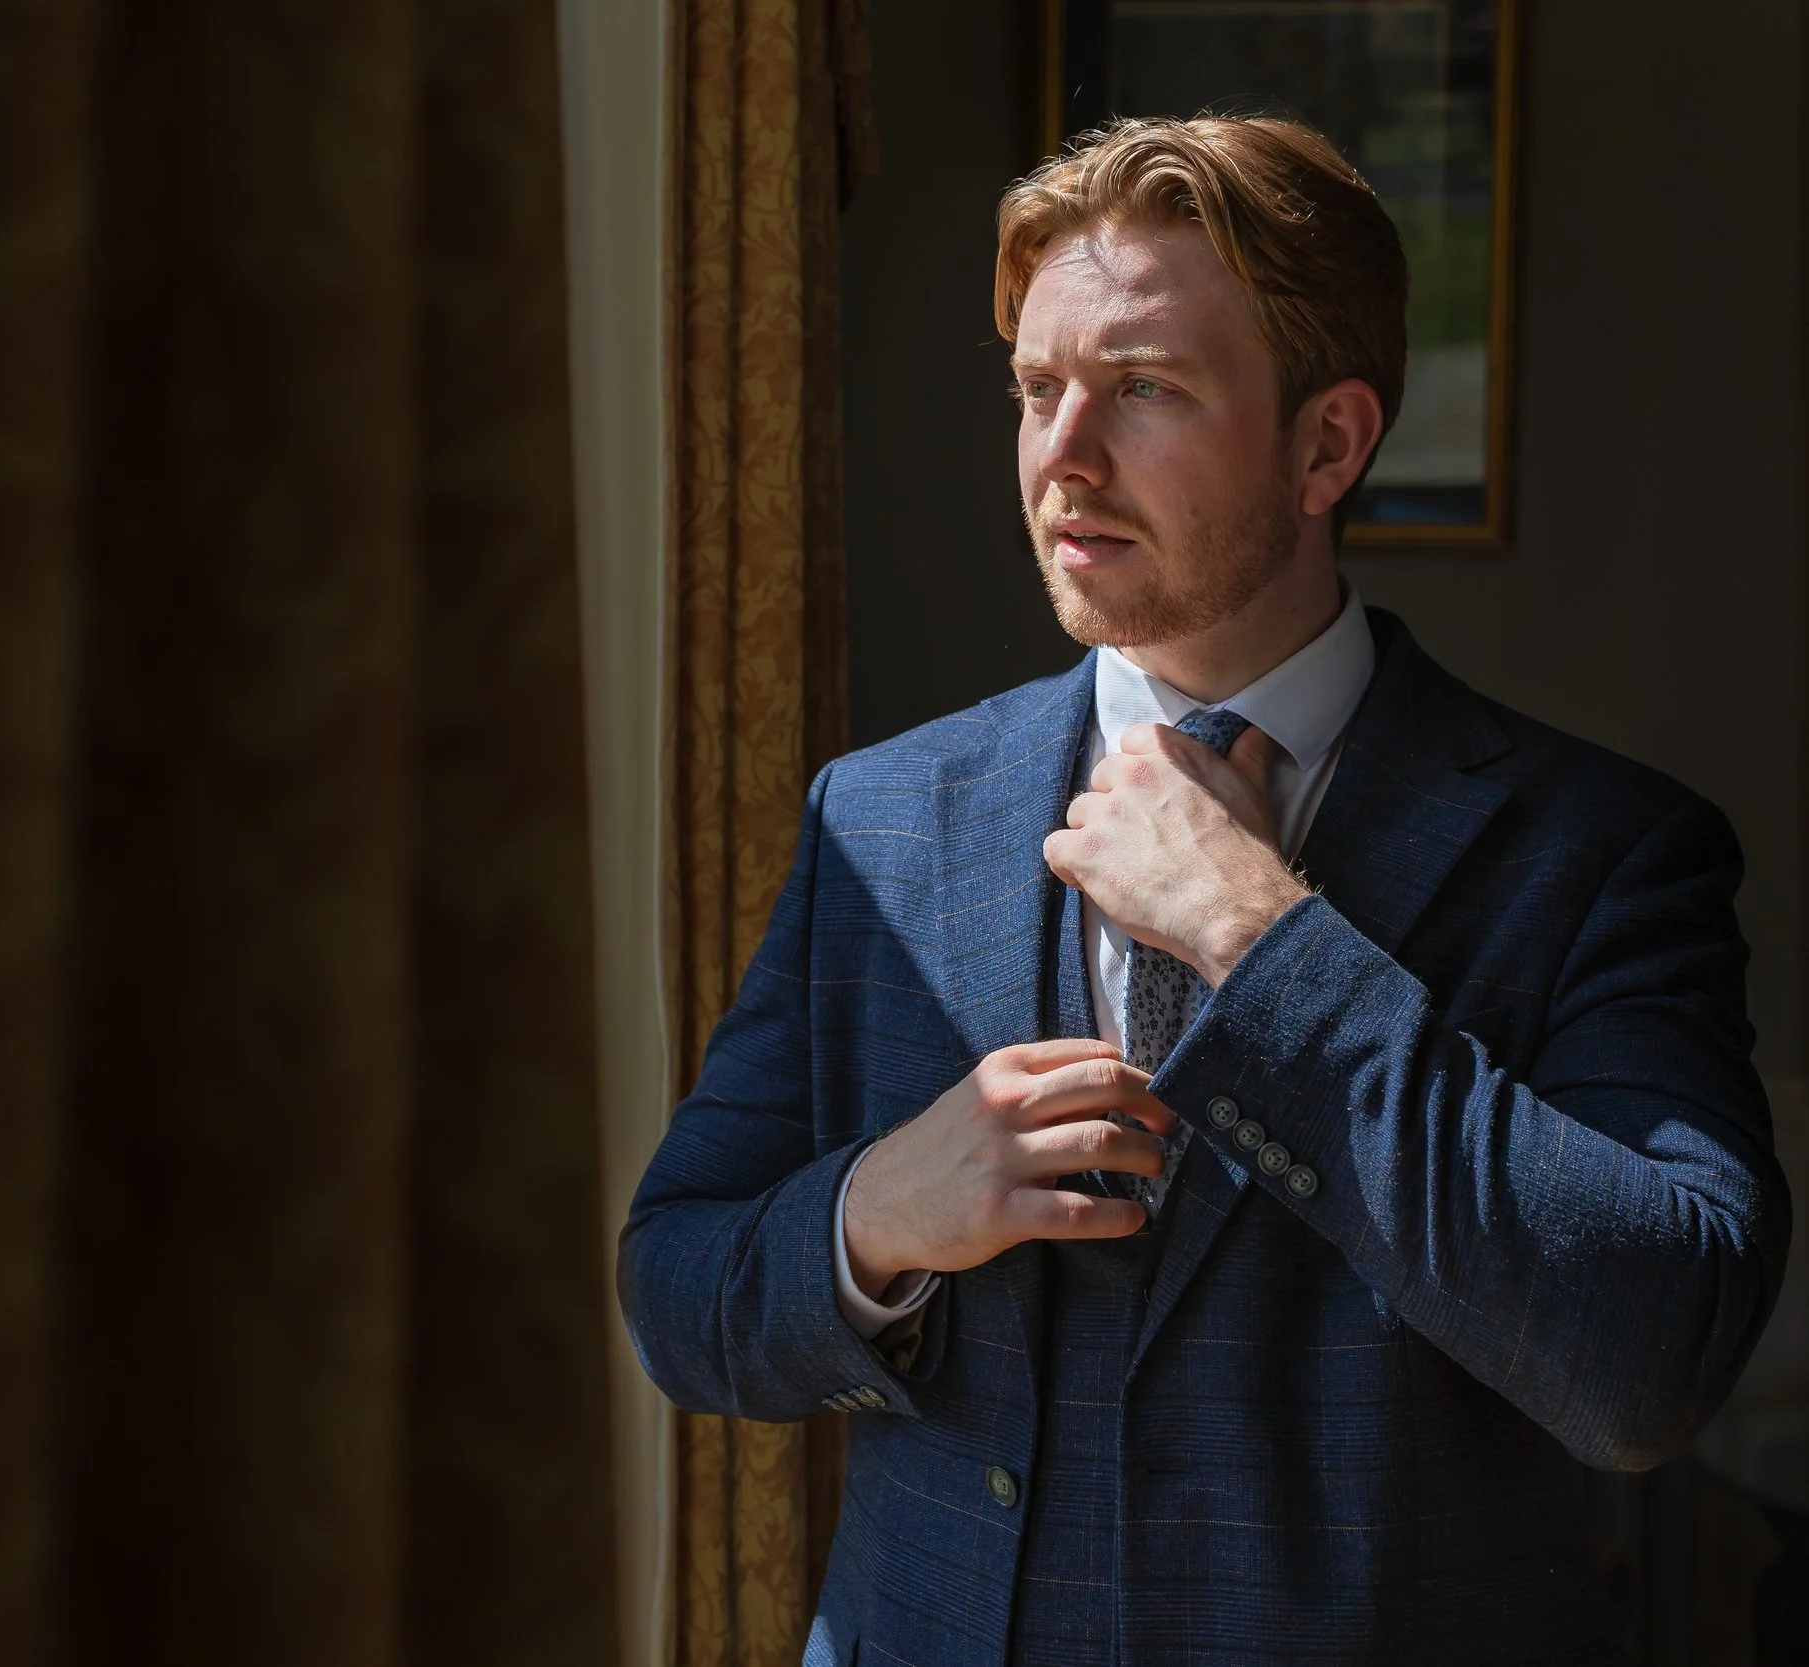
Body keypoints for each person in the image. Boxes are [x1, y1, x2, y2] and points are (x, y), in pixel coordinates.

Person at [616, 116, 1791, 1666]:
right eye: (1037, 387)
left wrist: (1260, 933)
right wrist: (877, 1212)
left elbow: (1651, 1357)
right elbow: (676, 1286)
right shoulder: (882, 817)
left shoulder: (1602, 851)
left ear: (1328, 447)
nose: (1063, 452)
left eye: (1144, 386)